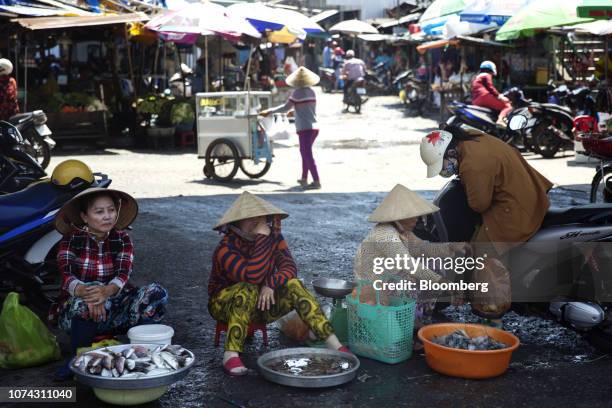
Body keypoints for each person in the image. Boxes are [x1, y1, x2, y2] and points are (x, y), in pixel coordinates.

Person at [420, 126, 553, 322]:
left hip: (516, 210)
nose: (444, 169)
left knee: (481, 257)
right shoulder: (473, 139)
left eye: (442, 164)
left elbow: (479, 204)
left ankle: (491, 312)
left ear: (450, 151)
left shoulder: (473, 164)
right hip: (526, 194)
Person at [208, 192, 350, 376]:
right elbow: (252, 276)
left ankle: (333, 343)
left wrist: (271, 283)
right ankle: (230, 354)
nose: (257, 221)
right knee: (247, 288)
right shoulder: (226, 248)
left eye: (260, 217)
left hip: (262, 303)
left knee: (293, 284)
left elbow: (289, 267)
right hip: (224, 305)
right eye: (249, 218)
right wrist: (261, 240)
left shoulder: (273, 238)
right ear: (236, 223)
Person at [51, 174, 168, 380]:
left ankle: (139, 356)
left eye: (111, 210)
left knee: (156, 292)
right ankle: (77, 360)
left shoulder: (122, 238)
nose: (107, 216)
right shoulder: (71, 240)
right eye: (99, 211)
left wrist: (106, 292)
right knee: (82, 303)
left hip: (115, 309)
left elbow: (123, 274)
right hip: (79, 311)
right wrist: (92, 293)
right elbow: (67, 277)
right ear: (85, 216)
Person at [353, 184, 468, 328]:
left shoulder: (403, 232)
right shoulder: (385, 235)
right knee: (413, 279)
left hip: (390, 279)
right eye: (413, 216)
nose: (417, 220)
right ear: (400, 216)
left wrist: (450, 247)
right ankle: (408, 324)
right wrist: (443, 283)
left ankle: (419, 319)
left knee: (436, 265)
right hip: (374, 291)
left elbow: (422, 249)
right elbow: (410, 265)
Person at [260, 67, 321, 190]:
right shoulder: (312, 92)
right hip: (314, 127)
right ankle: (304, 178)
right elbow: (307, 109)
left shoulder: (297, 93)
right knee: (305, 152)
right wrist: (294, 111)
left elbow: (285, 108)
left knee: (306, 154)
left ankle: (316, 181)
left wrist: (269, 111)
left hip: (304, 128)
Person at [471, 61, 512, 126]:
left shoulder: (477, 76)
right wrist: (499, 96)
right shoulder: (486, 75)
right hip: (484, 97)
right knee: (507, 106)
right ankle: (500, 120)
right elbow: (490, 87)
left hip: (475, 100)